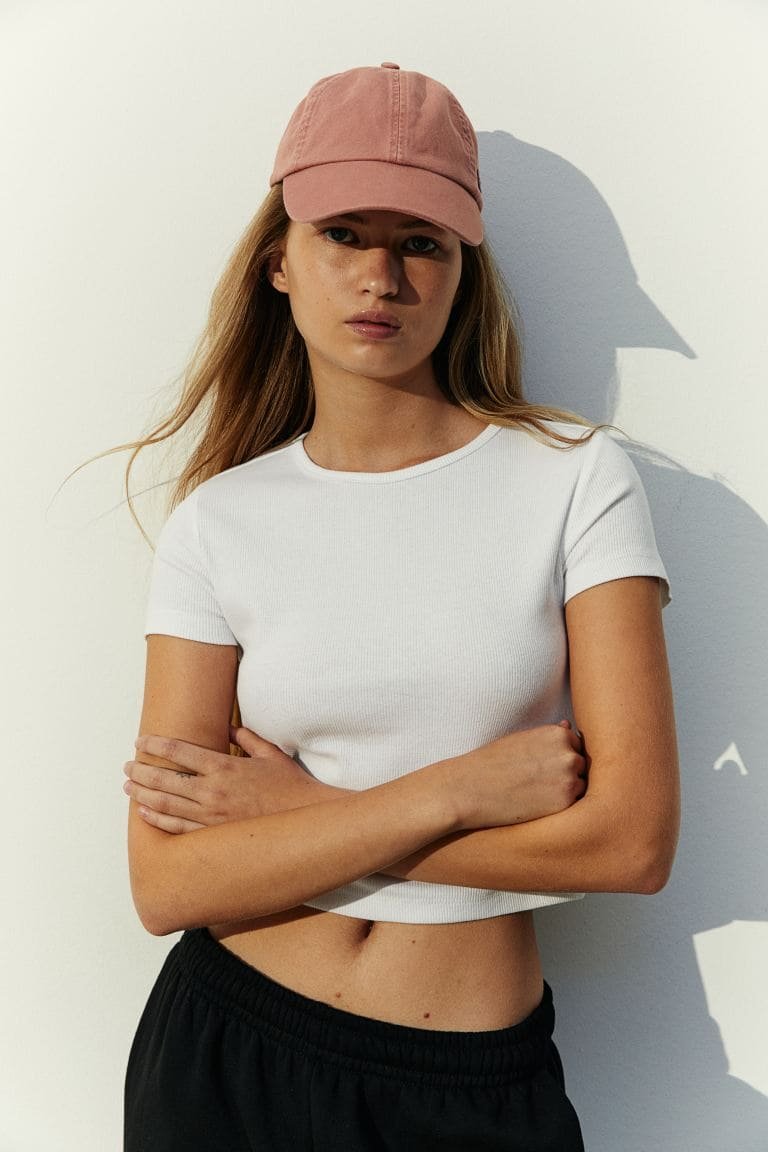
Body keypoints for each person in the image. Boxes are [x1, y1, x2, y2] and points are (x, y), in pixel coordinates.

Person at [121, 63, 680, 1151]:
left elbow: (631, 844)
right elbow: (166, 881)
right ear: (279, 261)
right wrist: (459, 791)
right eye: (343, 233)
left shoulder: (575, 479)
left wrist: (298, 813)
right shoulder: (217, 522)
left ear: (464, 270)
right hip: (225, 1057)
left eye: (421, 242)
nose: (380, 276)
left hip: (466, 1086)